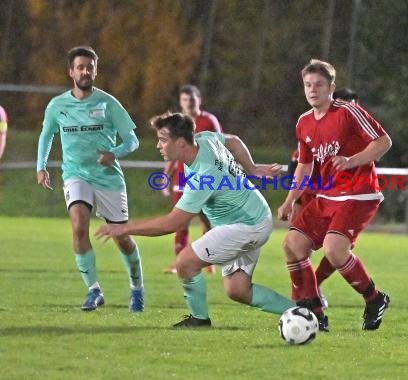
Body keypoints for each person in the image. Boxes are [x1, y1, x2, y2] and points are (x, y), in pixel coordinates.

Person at [96, 112, 295, 328]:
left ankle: (199, 319)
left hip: (246, 225)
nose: (158, 146)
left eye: (163, 140)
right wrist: (253, 168)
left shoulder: (203, 175)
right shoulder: (204, 139)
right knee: (238, 290)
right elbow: (234, 142)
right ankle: (302, 311)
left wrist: (124, 228)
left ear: (180, 143)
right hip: (255, 216)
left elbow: (174, 223)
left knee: (185, 263)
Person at [277, 59, 392, 331]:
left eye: (319, 84)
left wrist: (352, 160)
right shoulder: (304, 122)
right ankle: (314, 310)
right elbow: (305, 165)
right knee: (292, 244)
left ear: (332, 87)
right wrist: (290, 199)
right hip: (328, 196)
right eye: (308, 85)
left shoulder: (348, 112)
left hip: (359, 192)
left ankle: (374, 299)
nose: (312, 89)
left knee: (333, 248)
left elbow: (384, 141)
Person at [36, 46, 144, 312]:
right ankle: (94, 290)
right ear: (71, 71)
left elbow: (132, 140)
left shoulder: (108, 103)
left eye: (90, 67)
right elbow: (47, 135)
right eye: (81, 67)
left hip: (107, 178)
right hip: (75, 175)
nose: (85, 71)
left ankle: (137, 289)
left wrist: (114, 153)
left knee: (122, 237)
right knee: (78, 226)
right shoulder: (57, 105)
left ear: (96, 70)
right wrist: (41, 167)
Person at [287, 87, 360, 307]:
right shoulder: (317, 131)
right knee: (298, 247)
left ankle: (313, 288)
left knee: (340, 247)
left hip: (343, 199)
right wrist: (293, 200)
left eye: (354, 108)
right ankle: (300, 296)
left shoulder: (361, 137)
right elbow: (297, 166)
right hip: (312, 197)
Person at [162, 84, 222, 274]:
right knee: (180, 222)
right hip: (183, 180)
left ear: (199, 100)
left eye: (192, 99)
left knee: (207, 221)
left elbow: (220, 146)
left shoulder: (209, 120)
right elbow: (171, 151)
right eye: (185, 100)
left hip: (205, 180)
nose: (189, 103)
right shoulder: (176, 124)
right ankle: (180, 262)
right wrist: (165, 176)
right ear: (181, 102)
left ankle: (207, 259)